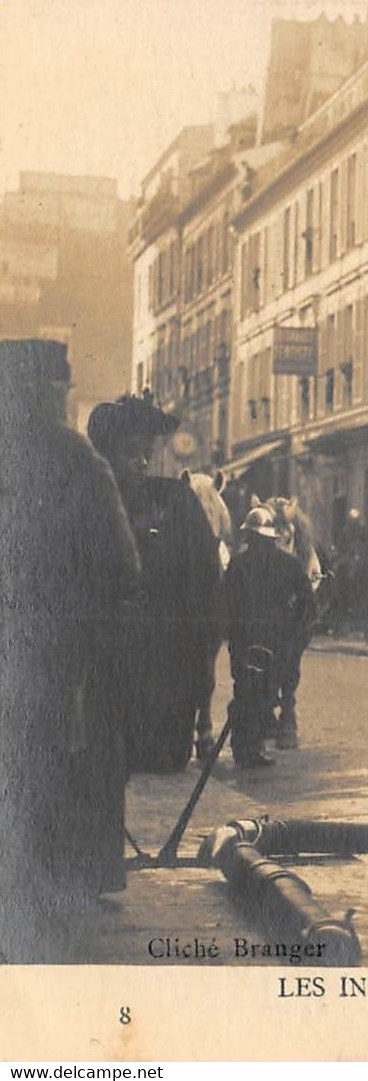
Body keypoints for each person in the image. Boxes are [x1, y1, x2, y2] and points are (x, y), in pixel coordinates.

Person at [0, 340, 142, 951]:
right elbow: (123, 564)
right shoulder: (76, 459)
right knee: (50, 763)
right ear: (51, 392)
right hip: (53, 651)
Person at [86, 391, 221, 772]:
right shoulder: (93, 500)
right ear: (109, 454)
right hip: (113, 669)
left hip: (166, 673)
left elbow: (204, 580)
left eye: (148, 452)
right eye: (133, 453)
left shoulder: (174, 501)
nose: (143, 462)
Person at [220, 507, 314, 768]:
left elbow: (225, 603)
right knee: (265, 694)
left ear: (250, 536)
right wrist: (295, 635)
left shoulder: (237, 564)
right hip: (275, 642)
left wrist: (230, 635)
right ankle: (254, 745)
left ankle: (243, 746)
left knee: (243, 691)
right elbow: (308, 603)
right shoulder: (290, 564)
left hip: (245, 641)